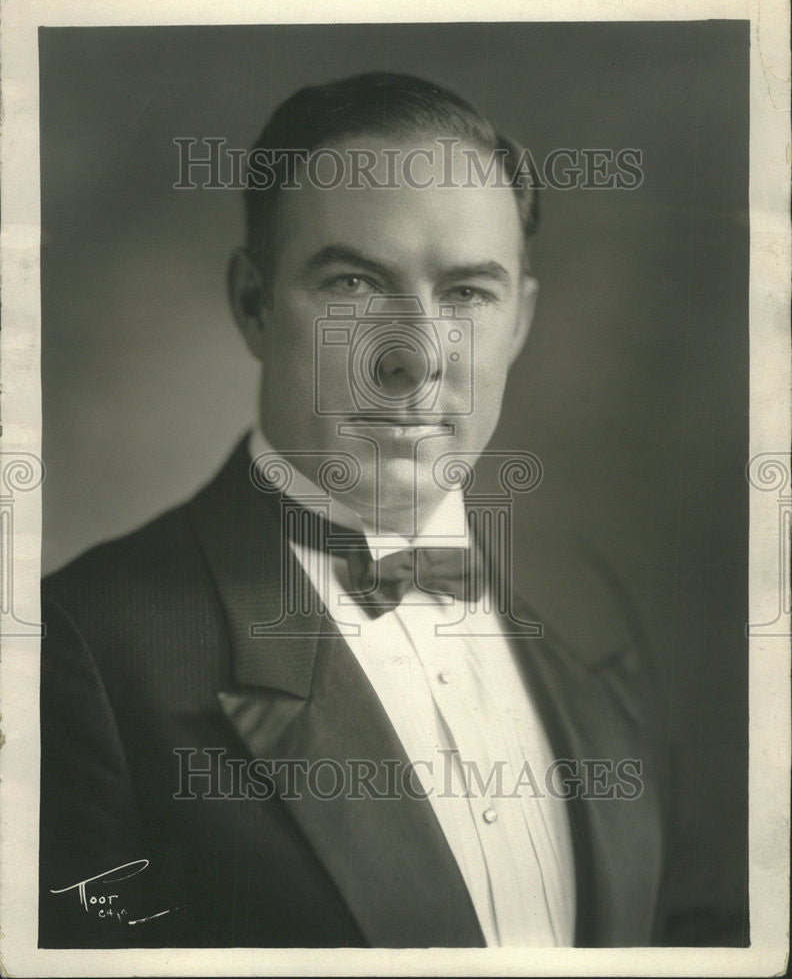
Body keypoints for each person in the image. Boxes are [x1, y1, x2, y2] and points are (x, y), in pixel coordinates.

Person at [39, 72, 668, 949]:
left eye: (466, 295)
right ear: (254, 305)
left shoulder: (585, 598)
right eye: (354, 286)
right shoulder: (87, 648)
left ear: (518, 322)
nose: (413, 362)